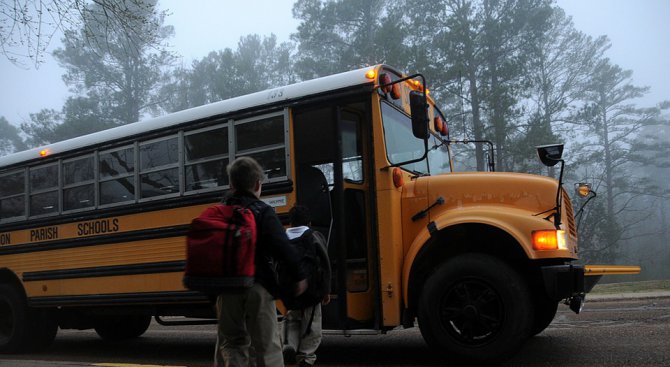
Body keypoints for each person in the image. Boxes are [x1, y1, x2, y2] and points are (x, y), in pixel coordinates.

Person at [215, 157, 308, 367]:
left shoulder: (219, 212)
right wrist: (299, 276)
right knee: (267, 346)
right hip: (258, 286)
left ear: (231, 185)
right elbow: (283, 247)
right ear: (258, 184)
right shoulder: (263, 211)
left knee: (231, 344)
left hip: (226, 289)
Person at [282, 205, 331, 367]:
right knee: (312, 324)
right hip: (312, 292)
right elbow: (325, 265)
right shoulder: (314, 237)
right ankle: (306, 356)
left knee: (292, 320)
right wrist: (326, 291)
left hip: (291, 292)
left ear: (290, 222)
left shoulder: (283, 239)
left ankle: (289, 345)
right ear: (309, 222)